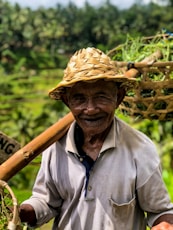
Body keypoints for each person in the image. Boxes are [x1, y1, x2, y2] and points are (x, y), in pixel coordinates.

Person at [19, 47, 173, 230]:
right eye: (79, 99)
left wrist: (164, 224)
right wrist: (21, 211)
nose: (90, 109)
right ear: (67, 101)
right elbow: (46, 201)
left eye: (101, 97)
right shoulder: (55, 148)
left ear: (119, 97)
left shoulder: (140, 149)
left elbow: (160, 210)